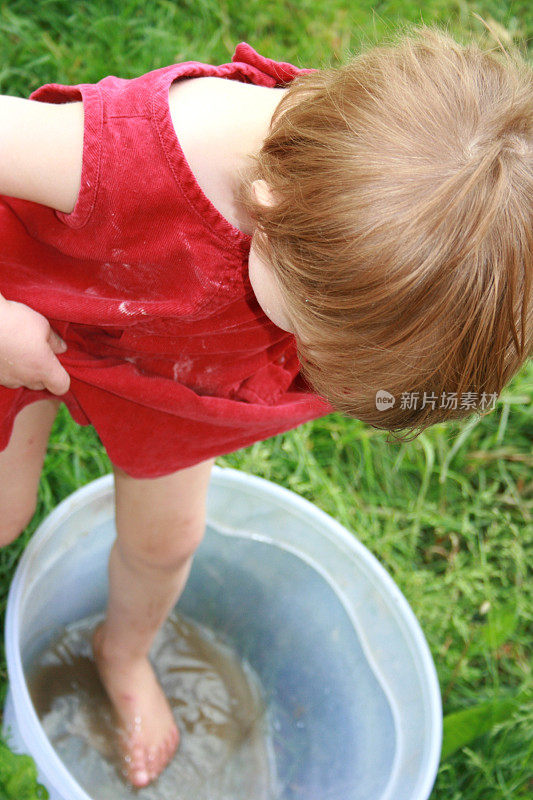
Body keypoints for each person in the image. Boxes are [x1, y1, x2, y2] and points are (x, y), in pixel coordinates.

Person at [0, 23, 531, 788]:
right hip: (41, 311)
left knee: (167, 542)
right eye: (309, 342)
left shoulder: (381, 239)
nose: (307, 374)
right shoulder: (137, 158)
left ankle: (121, 655)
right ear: (268, 205)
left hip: (175, 378)